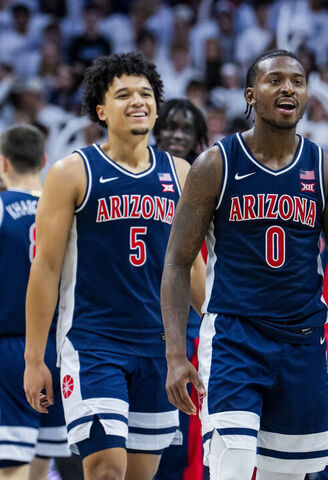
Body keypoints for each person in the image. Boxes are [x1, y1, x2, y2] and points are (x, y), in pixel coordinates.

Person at [161, 49, 328, 480]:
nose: (288, 88)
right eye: (275, 80)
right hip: (234, 337)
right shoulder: (215, 164)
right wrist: (175, 352)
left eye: (298, 81)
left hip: (302, 342)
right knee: (233, 468)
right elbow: (176, 263)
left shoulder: (326, 169)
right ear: (250, 94)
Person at [23, 52, 205, 480]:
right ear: (101, 110)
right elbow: (45, 268)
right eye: (123, 94)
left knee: (140, 475)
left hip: (160, 348)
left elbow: (192, 268)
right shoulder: (72, 171)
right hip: (93, 344)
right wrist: (35, 358)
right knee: (106, 470)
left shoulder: (181, 173)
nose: (137, 100)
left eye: (145, 93)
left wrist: (224, 329)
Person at [0, 125, 70, 480]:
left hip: (12, 346)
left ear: (2, 163)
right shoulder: (64, 209)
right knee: (43, 465)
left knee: (11, 466)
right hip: (59, 347)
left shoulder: (1, 206)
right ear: (44, 161)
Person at [153, 98, 209, 480]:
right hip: (146, 323)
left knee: (186, 439)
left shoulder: (211, 183)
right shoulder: (142, 180)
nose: (176, 135)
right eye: (170, 126)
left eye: (186, 129)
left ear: (198, 139)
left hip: (193, 329)